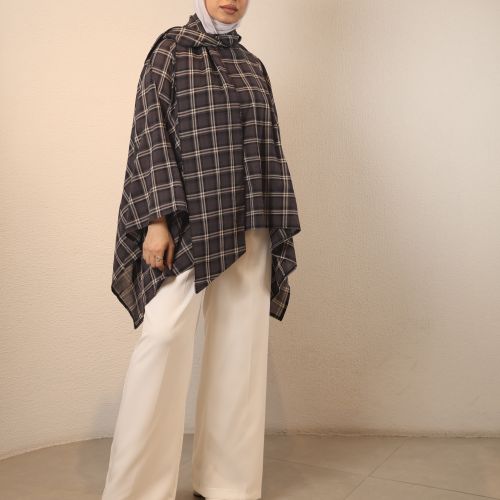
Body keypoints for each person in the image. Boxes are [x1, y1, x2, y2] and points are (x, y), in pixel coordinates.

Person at [103, 1, 301, 499]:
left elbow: (267, 147)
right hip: (187, 221)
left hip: (250, 219)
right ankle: (138, 491)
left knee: (241, 350)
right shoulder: (171, 49)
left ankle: (227, 484)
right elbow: (150, 133)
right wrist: (156, 220)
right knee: (163, 337)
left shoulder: (253, 66)